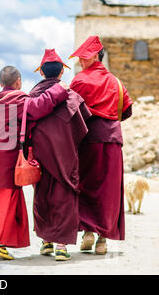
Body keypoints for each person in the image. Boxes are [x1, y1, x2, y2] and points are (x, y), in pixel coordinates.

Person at [0, 65, 69, 260]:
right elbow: (40, 106)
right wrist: (60, 89)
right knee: (8, 201)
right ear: (18, 82)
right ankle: (1, 245)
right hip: (5, 160)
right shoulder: (19, 100)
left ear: (0, 84)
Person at [69, 36, 133, 255]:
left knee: (86, 184)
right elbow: (126, 110)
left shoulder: (80, 80)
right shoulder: (116, 82)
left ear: (96, 56)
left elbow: (70, 111)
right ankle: (102, 239)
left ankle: (87, 232)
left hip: (87, 139)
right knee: (109, 189)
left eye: (83, 57)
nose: (80, 62)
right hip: (113, 140)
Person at [29, 49, 92, 261]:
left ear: (41, 73)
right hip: (66, 156)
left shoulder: (33, 96)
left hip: (41, 156)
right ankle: (61, 246)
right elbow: (84, 127)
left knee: (42, 196)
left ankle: (46, 242)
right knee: (64, 197)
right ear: (61, 73)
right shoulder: (72, 96)